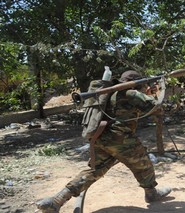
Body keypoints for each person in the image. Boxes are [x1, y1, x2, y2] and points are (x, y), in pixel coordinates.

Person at [36, 70, 171, 212]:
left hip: (100, 136)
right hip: (120, 139)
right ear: (137, 84)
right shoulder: (131, 94)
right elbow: (158, 109)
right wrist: (157, 92)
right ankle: (151, 194)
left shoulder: (107, 93)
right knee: (144, 164)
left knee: (95, 170)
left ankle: (57, 200)